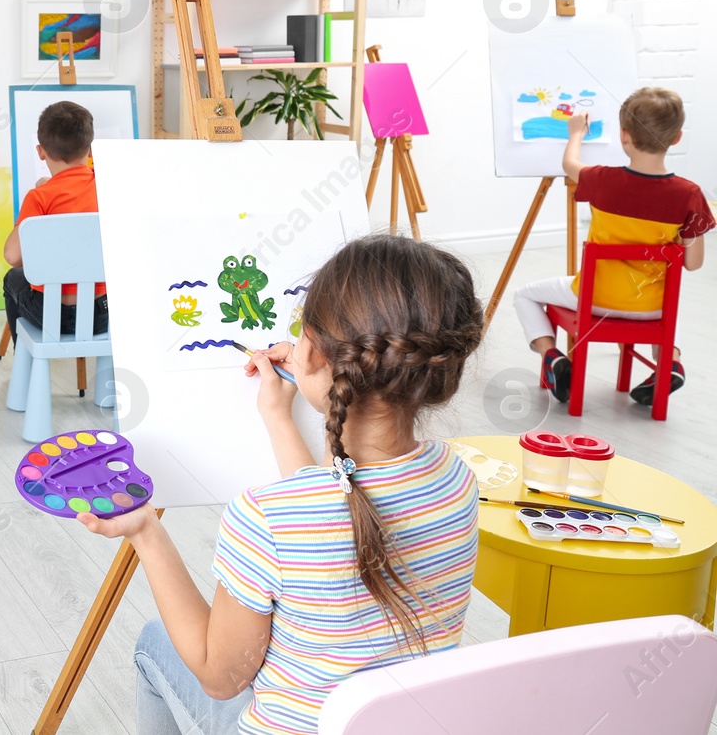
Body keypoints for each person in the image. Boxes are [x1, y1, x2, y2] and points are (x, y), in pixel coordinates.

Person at [79, 234, 485, 735]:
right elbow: (333, 505)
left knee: (153, 641)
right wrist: (278, 414)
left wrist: (146, 531)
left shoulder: (267, 518)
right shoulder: (458, 482)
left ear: (311, 349)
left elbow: (219, 676)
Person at [513, 87, 711, 405]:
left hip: (596, 299)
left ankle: (552, 357)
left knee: (524, 294)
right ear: (677, 138)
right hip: (651, 307)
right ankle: (669, 362)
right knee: (665, 318)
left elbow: (569, 163)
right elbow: (693, 262)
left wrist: (576, 132)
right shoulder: (690, 194)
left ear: (624, 136)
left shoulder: (602, 180)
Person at [2, 100, 108, 342]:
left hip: (50, 316)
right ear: (90, 150)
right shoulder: (110, 186)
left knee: (13, 278)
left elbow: (13, 256)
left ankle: (25, 363)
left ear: (41, 151)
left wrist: (36, 201)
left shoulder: (40, 197)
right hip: (103, 315)